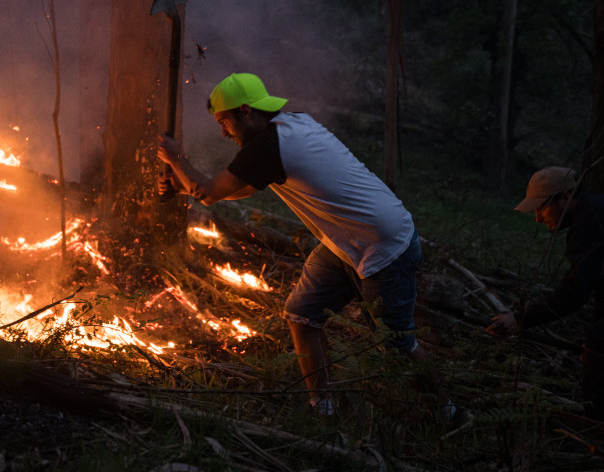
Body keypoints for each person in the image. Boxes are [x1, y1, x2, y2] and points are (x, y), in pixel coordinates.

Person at [157, 72, 459, 421]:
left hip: (385, 245)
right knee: (301, 314)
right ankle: (323, 408)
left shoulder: (267, 147)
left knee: (398, 345)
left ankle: (447, 412)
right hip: (345, 241)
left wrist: (175, 159)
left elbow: (208, 193)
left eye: (225, 122)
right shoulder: (292, 125)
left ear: (245, 112)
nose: (223, 133)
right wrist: (181, 188)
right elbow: (241, 188)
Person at [488, 166, 604, 419]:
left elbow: (574, 292)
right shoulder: (594, 210)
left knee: (597, 357)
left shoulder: (591, 221)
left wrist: (521, 318)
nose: (538, 217)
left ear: (564, 197)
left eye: (541, 207)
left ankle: (593, 432)